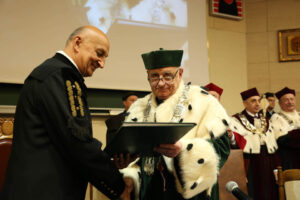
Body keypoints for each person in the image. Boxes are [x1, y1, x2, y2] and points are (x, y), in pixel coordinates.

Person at [0, 26, 132, 200]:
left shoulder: (52, 73)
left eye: (105, 58)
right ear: (77, 43)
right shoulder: (61, 77)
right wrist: (118, 186)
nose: (102, 63)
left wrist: (109, 161)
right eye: (99, 54)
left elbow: (64, 140)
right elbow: (77, 142)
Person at [119, 48, 230, 200]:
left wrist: (184, 150)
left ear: (180, 73)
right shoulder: (139, 107)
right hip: (154, 190)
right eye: (154, 76)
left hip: (194, 192)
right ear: (148, 77)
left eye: (167, 76)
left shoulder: (203, 101)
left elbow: (222, 148)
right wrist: (128, 162)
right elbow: (136, 152)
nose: (161, 83)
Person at [230, 87, 278, 200]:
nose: (257, 104)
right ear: (244, 103)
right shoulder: (236, 120)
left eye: (258, 100)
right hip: (250, 163)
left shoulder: (265, 120)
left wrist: (276, 168)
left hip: (267, 163)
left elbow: (273, 146)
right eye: (253, 101)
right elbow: (235, 145)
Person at [271, 87, 300, 170]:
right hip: (288, 158)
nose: (290, 102)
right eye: (286, 100)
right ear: (280, 103)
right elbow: (281, 140)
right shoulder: (276, 117)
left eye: (292, 99)